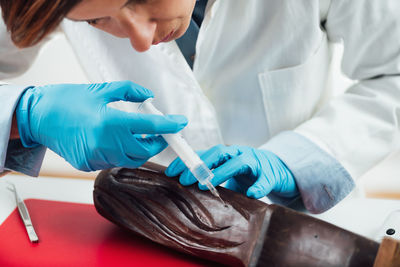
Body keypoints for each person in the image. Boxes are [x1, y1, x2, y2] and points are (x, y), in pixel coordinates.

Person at [1, 0, 399, 214]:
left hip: (307, 229)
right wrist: (24, 115)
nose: (139, 39)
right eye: (98, 21)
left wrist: (296, 162)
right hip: (155, 228)